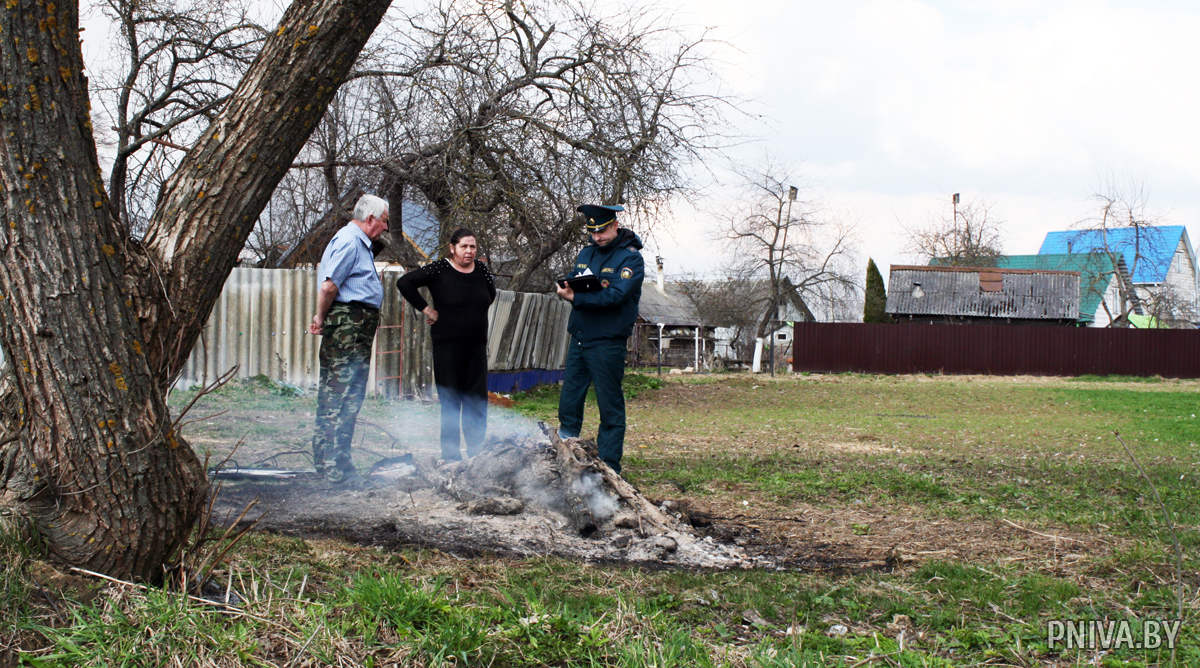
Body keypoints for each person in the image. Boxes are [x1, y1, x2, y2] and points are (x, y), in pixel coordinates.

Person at [555, 204, 644, 474]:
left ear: (615, 225)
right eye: (592, 232)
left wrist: (577, 297)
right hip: (580, 337)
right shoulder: (586, 253)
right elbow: (576, 281)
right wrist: (568, 287)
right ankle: (565, 460)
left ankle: (609, 470)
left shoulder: (630, 259)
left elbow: (616, 296)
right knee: (569, 403)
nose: (597, 237)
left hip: (607, 341)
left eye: (602, 231)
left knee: (610, 408)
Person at [307, 194, 390, 483]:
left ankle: (334, 465)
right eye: (384, 221)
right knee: (340, 398)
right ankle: (334, 471)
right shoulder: (349, 241)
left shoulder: (359, 243)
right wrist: (320, 317)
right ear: (370, 220)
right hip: (347, 327)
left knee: (343, 397)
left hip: (353, 328)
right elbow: (329, 287)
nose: (386, 228)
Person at [396, 228, 497, 460]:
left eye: (473, 246)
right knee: (452, 402)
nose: (469, 251)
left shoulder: (481, 270)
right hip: (447, 346)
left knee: (476, 401)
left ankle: (476, 455)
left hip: (476, 346)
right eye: (464, 246)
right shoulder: (440, 269)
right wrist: (427, 309)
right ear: (452, 248)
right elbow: (405, 283)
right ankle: (451, 457)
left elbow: (489, 296)